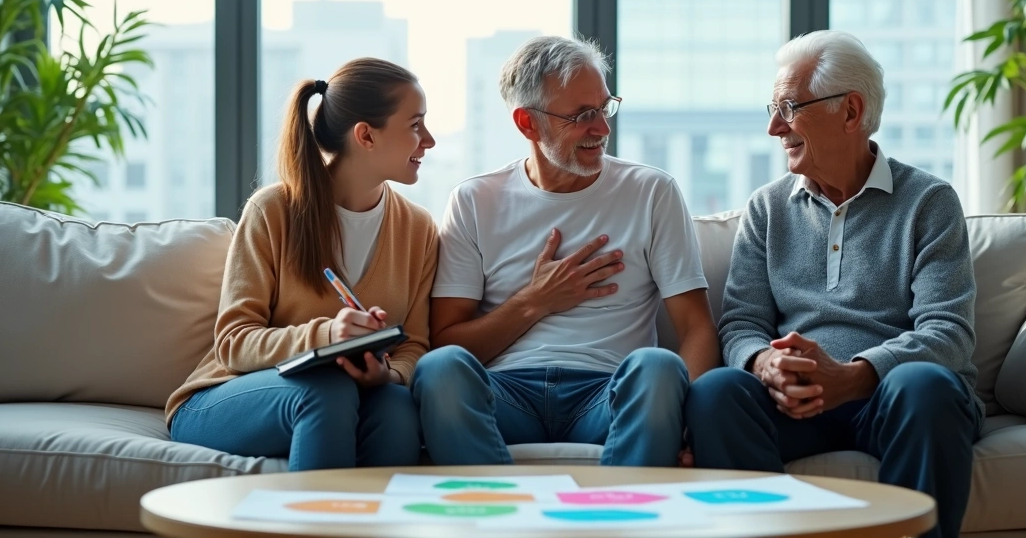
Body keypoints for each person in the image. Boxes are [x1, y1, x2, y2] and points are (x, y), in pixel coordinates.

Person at [686, 30, 981, 538]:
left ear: (850, 111)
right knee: (717, 392)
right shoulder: (768, 208)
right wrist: (766, 363)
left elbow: (948, 332)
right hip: (792, 401)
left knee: (927, 386)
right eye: (773, 107)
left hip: (892, 396)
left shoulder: (929, 202)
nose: (774, 126)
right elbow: (741, 323)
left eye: (789, 107)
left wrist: (853, 376)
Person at [411, 35, 720, 467]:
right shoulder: (474, 200)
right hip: (505, 394)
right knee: (440, 369)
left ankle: (619, 520)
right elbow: (446, 341)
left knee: (657, 367)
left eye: (605, 107)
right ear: (527, 124)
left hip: (609, 392)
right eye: (581, 116)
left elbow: (697, 329)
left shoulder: (651, 191)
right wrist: (535, 301)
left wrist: (691, 423)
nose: (602, 128)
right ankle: (494, 520)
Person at [166, 58, 439, 471]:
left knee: (396, 409)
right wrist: (329, 335)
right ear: (365, 135)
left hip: (348, 394)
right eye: (415, 125)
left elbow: (415, 343)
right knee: (326, 390)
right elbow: (234, 342)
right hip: (226, 395)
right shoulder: (273, 210)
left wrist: (388, 375)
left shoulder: (418, 229)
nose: (429, 140)